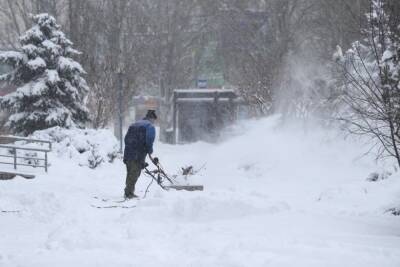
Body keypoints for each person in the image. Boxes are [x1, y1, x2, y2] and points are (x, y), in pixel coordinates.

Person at [123, 110, 158, 199]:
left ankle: (128, 191)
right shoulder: (149, 126)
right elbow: (149, 139)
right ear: (151, 119)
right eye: (154, 120)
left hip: (128, 152)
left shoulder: (134, 124)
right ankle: (129, 193)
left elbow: (126, 138)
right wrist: (149, 150)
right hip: (138, 153)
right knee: (135, 173)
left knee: (130, 172)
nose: (154, 122)